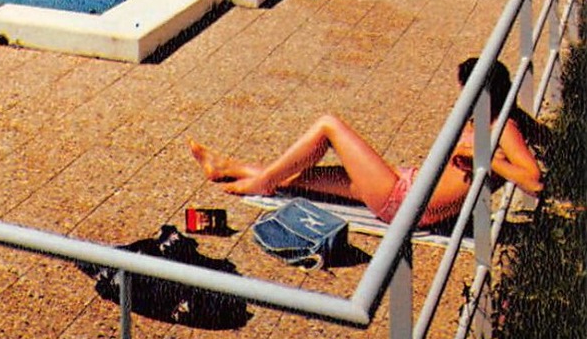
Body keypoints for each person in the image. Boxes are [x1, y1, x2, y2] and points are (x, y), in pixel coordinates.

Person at [187, 59, 543, 228]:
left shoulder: (503, 128)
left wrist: (485, 158)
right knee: (304, 178)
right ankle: (228, 167)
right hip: (405, 186)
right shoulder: (486, 118)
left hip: (405, 203)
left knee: (329, 126)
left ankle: (261, 183)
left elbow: (534, 181)